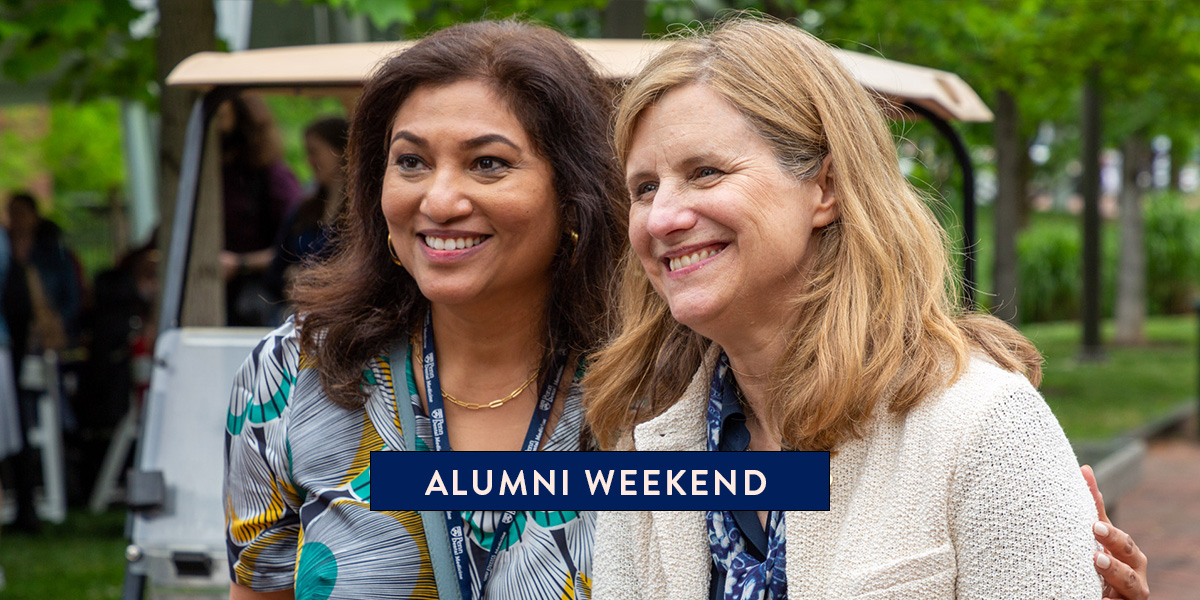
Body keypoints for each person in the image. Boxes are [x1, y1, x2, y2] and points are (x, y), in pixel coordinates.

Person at [585, 17, 1149, 599]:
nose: (661, 218)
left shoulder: (982, 424)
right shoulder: (647, 441)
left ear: (825, 188)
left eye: (705, 173)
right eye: (644, 188)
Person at [223, 20, 622, 600]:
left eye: (488, 163)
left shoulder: (656, 381)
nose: (438, 201)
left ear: (575, 192)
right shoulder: (294, 370)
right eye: (411, 161)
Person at [216, 95, 304, 326]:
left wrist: (240, 264)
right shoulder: (217, 177)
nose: (214, 127)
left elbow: (294, 248)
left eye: (221, 117)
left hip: (256, 306)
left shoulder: (273, 179)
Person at [262, 116, 349, 319]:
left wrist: (314, 280)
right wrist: (289, 279)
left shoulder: (364, 214)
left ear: (341, 151)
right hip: (296, 315)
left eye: (314, 152)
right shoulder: (304, 209)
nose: (310, 161)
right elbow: (276, 270)